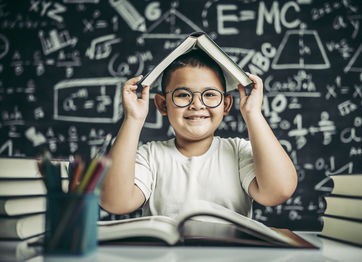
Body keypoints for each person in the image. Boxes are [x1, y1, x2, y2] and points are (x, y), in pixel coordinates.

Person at [100, 50, 298, 218]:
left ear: (226, 104)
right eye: (183, 94)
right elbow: (115, 202)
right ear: (162, 104)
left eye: (210, 94)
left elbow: (278, 192)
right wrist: (133, 119)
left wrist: (253, 114)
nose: (197, 104)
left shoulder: (238, 152)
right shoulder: (151, 156)